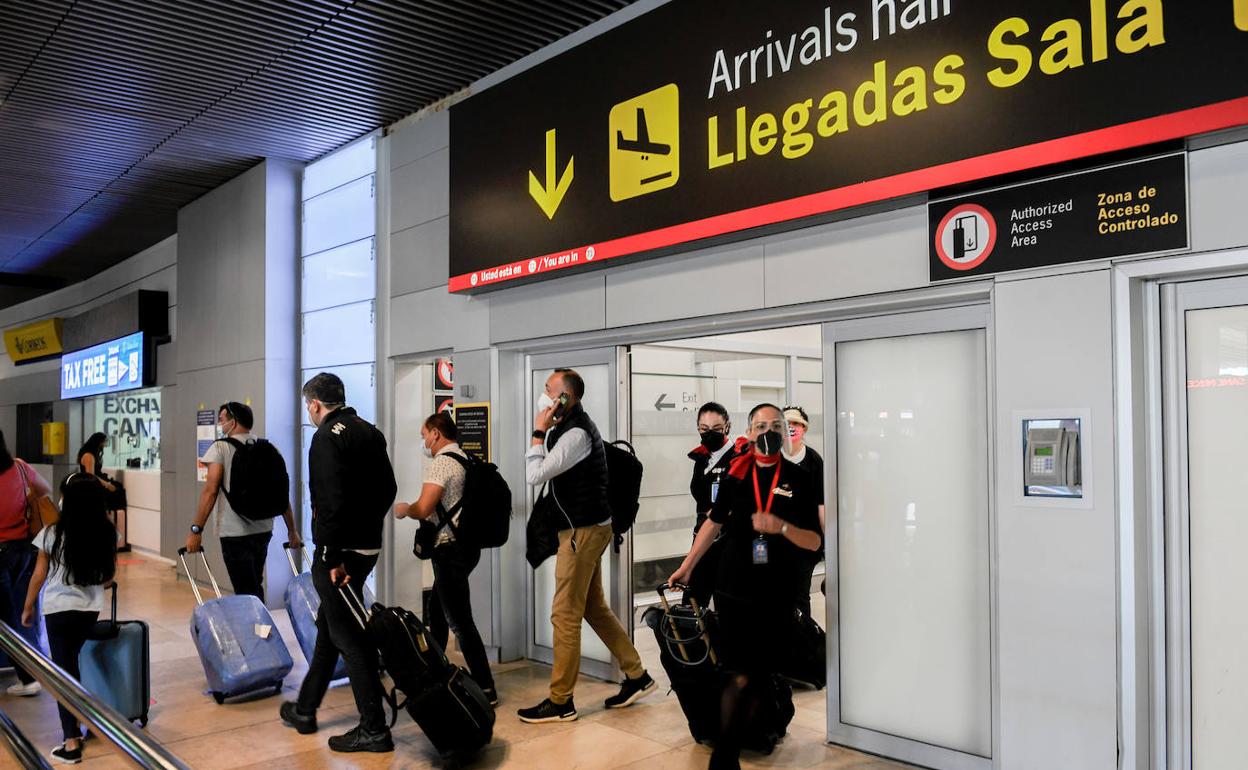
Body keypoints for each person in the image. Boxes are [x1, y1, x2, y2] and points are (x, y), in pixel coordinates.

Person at [669, 404, 823, 770]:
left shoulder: (801, 478)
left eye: (775, 426)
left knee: (758, 672)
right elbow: (713, 523)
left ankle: (749, 735)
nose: (767, 432)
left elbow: (815, 541)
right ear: (749, 432)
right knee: (739, 672)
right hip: (734, 586)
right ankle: (726, 756)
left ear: (785, 432)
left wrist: (781, 528)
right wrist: (688, 565)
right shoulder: (737, 474)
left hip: (778, 591)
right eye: (759, 426)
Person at [518, 368, 656, 724]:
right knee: (593, 607)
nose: (543, 394)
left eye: (549, 389)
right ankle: (637, 674)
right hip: (586, 527)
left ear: (566, 397)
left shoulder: (575, 433)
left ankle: (561, 701)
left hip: (582, 532)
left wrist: (537, 431)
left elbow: (535, 475)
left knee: (564, 613)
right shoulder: (569, 426)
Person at [280, 373, 397, 754]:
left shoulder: (326, 437)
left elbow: (328, 501)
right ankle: (305, 708)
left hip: (338, 556)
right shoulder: (369, 431)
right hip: (366, 547)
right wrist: (365, 530)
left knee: (348, 638)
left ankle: (374, 729)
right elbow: (388, 490)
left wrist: (330, 554)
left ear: (315, 404)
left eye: (308, 407)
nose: (309, 413)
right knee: (330, 627)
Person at [393, 412, 497, 706]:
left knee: (460, 621)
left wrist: (405, 509)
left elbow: (425, 508)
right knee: (437, 614)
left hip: (449, 550)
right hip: (466, 547)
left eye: (424, 434)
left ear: (436, 433)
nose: (424, 440)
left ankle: (486, 688)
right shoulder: (465, 458)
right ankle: (434, 675)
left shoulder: (440, 464)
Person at [22, 473, 116, 765]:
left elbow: (39, 575)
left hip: (58, 611)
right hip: (89, 610)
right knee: (75, 665)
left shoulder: (53, 533)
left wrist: (27, 607)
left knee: (63, 674)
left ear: (68, 501)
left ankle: (71, 741)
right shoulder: (107, 531)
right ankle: (84, 722)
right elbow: (109, 575)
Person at [185, 401, 302, 602]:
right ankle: (260, 628)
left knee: (246, 591)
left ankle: (257, 629)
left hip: (234, 532)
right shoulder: (268, 447)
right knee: (254, 583)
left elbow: (210, 491)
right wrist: (292, 530)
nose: (220, 424)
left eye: (222, 420)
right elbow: (281, 493)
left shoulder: (220, 448)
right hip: (264, 529)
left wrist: (196, 530)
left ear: (233, 421)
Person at [0, 431, 52, 698]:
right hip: (23, 550)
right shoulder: (20, 468)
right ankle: (32, 673)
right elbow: (45, 491)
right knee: (24, 612)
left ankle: (25, 675)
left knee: (8, 617)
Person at [684, 402, 739, 607]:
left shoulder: (737, 458)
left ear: (727, 427)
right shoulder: (702, 457)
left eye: (716, 429)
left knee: (725, 604)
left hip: (728, 541)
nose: (709, 434)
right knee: (692, 603)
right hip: (701, 538)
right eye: (704, 429)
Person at [783, 406, 826, 617]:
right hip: (776, 543)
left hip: (806, 543)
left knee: (800, 595)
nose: (791, 428)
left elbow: (822, 506)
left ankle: (803, 644)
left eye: (796, 424)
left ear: (804, 428)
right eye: (786, 424)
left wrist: (828, 544)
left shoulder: (814, 461)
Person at [76, 433, 128, 552]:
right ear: (99, 442)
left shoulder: (90, 454)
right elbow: (91, 476)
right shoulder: (89, 456)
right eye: (104, 442)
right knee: (117, 493)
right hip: (91, 488)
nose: (105, 445)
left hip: (92, 485)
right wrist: (107, 485)